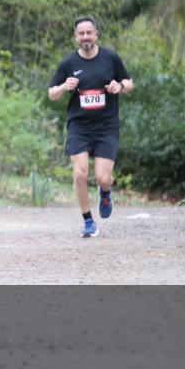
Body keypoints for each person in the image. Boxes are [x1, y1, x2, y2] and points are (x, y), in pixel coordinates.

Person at [48, 17, 133, 238]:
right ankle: (88, 222)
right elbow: (51, 94)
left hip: (106, 126)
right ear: (76, 37)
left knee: (103, 178)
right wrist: (64, 87)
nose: (85, 37)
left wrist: (119, 85)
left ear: (96, 34)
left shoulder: (110, 58)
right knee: (79, 174)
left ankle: (105, 193)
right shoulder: (68, 64)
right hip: (79, 126)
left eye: (89, 33)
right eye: (81, 34)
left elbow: (129, 83)